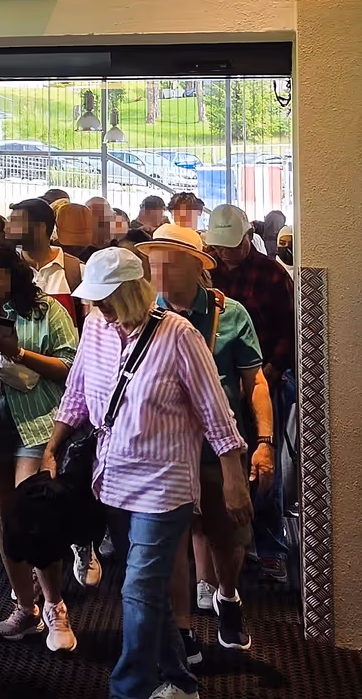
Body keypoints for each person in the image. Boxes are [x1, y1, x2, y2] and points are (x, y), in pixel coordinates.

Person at [43, 248, 251, 699]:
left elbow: (215, 411)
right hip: (112, 477)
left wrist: (233, 475)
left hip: (165, 482)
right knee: (147, 589)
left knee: (138, 587)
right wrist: (53, 445)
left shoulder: (178, 335)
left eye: (106, 298)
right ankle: (179, 681)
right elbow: (78, 390)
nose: (97, 306)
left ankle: (129, 688)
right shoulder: (96, 327)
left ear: (134, 292)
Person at [136, 224, 273, 654]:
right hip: (165, 446)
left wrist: (265, 440)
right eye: (153, 262)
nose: (158, 271)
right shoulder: (143, 312)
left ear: (197, 267)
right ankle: (181, 631)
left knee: (228, 530)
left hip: (219, 443)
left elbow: (255, 381)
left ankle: (227, 596)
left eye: (170, 262)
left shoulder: (228, 314)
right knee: (173, 538)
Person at [0, 242, 82, 651]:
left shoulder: (48, 310)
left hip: (36, 426)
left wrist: (19, 353)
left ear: (13, 272)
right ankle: (24, 606)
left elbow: (71, 368)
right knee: (2, 516)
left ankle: (55, 605)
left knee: (34, 515)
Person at [205, 204, 296, 585]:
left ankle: (270, 546)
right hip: (218, 379)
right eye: (219, 246)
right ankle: (220, 550)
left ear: (247, 238)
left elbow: (289, 329)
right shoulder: (207, 272)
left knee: (263, 464)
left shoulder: (272, 275)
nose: (225, 253)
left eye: (231, 245)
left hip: (263, 374)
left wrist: (268, 373)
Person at [9, 198, 82, 294]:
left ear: (40, 228)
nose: (8, 228)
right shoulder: (7, 267)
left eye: (16, 223)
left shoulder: (76, 271)